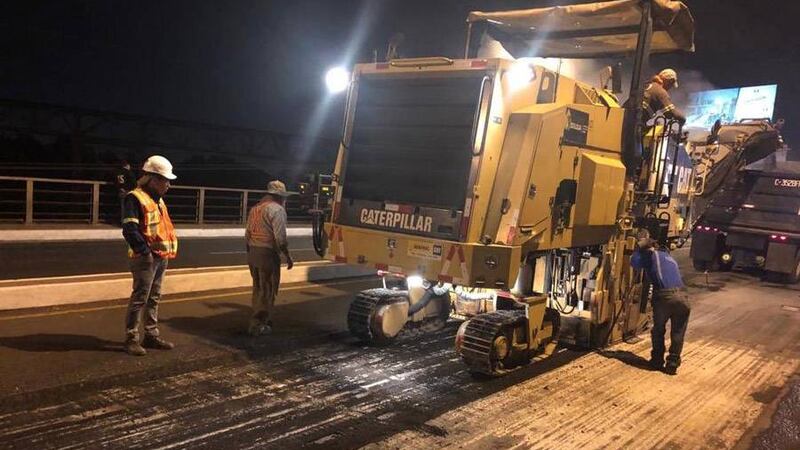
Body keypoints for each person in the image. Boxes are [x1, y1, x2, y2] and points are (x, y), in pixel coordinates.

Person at [121, 155, 179, 356]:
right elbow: (129, 228)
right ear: (153, 179)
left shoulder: (158, 200)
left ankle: (151, 335)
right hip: (145, 257)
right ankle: (131, 338)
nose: (168, 185)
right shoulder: (135, 197)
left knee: (154, 297)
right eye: (165, 180)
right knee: (140, 298)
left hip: (161, 256)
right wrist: (144, 252)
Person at [630, 229, 691, 375]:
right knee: (678, 331)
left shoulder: (649, 256)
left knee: (658, 329)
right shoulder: (667, 256)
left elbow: (634, 263)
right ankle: (672, 364)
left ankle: (657, 360)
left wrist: (637, 249)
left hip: (665, 297)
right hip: (683, 297)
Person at [245, 180, 294, 336]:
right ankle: (258, 324)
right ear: (279, 197)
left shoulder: (255, 209)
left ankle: (261, 319)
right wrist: (288, 255)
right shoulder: (277, 210)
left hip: (253, 252)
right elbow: (280, 238)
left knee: (258, 288)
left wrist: (250, 251)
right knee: (268, 290)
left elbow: (247, 234)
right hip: (267, 254)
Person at [113, 161, 136, 226]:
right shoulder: (129, 172)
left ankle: (122, 221)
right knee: (129, 207)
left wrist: (120, 188)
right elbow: (134, 183)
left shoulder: (118, 173)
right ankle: (127, 222)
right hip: (128, 191)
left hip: (121, 191)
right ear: (127, 166)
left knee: (122, 207)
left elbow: (115, 182)